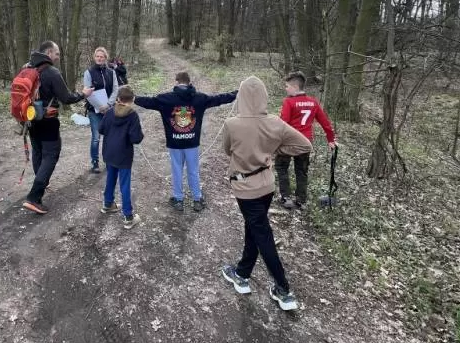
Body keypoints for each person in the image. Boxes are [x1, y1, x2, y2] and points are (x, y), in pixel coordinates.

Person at [220, 75, 312, 312]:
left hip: (245, 189)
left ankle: (284, 290)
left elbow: (228, 150)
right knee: (254, 227)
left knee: (262, 234)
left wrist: (267, 149)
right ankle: (242, 274)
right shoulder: (275, 123)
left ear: (241, 97)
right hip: (266, 186)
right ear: (264, 96)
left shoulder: (232, 124)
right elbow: (304, 145)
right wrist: (274, 149)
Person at [134, 71, 236, 212]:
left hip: (174, 143)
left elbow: (148, 102)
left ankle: (178, 199)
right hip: (192, 143)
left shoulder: (165, 99)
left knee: (176, 170)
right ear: (189, 82)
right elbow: (219, 99)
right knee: (193, 171)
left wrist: (132, 98)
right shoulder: (200, 98)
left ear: (176, 82)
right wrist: (236, 94)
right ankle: (197, 199)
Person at [22, 41, 94, 215]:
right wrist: (84, 94)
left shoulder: (26, 68)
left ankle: (41, 182)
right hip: (48, 121)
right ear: (48, 52)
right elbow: (66, 98)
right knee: (51, 155)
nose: (58, 57)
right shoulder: (52, 72)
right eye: (57, 54)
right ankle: (34, 197)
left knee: (38, 152)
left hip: (30, 120)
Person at [275, 70, 337, 210]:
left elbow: (283, 124)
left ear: (295, 87)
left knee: (281, 167)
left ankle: (286, 198)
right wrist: (330, 139)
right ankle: (301, 200)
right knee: (302, 171)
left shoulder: (288, 102)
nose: (286, 89)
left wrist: (275, 141)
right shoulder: (313, 102)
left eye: (287, 86)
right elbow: (325, 122)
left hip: (288, 142)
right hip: (305, 142)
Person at [98, 85, 143, 229]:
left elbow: (101, 129)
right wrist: (140, 135)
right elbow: (136, 138)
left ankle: (107, 204)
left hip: (109, 152)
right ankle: (128, 216)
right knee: (124, 184)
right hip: (123, 155)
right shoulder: (132, 115)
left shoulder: (110, 112)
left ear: (118, 98)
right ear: (132, 100)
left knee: (110, 178)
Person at [83, 47, 119, 173]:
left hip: (110, 109)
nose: (99, 58)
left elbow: (115, 89)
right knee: (96, 137)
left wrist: (108, 105)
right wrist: (100, 107)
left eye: (102, 56)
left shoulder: (111, 72)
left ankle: (109, 161)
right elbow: (87, 92)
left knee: (110, 136)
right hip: (94, 110)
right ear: (94, 57)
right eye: (97, 56)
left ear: (105, 58)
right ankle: (95, 163)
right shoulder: (88, 72)